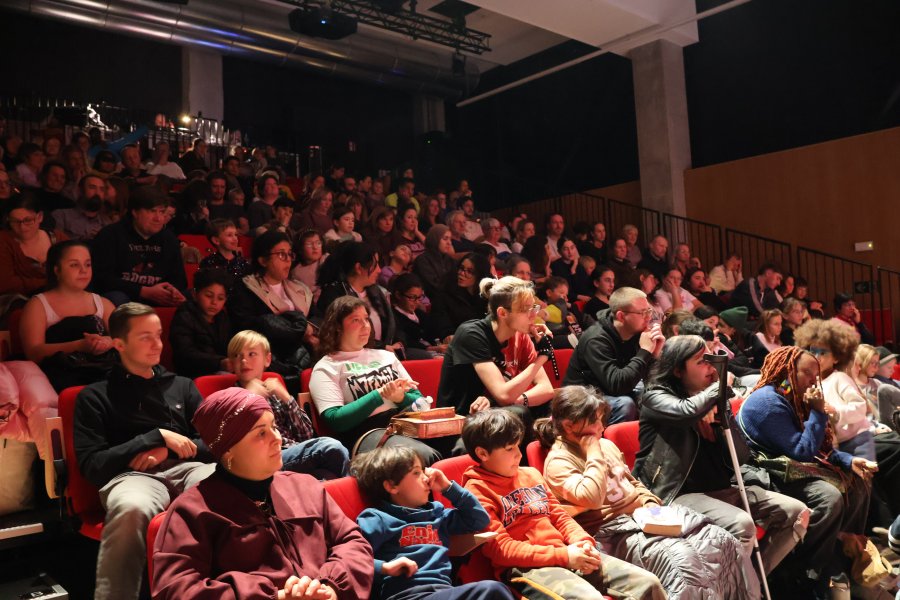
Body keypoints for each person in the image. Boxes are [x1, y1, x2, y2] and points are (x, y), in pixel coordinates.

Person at [151, 386, 373, 599]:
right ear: (227, 449)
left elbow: (353, 542)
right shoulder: (192, 512)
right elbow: (177, 590)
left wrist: (331, 586)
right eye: (260, 433)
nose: (277, 438)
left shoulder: (305, 486)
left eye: (274, 427)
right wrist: (277, 597)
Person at [539, 386, 758, 600]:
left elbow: (633, 483)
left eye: (601, 419)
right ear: (569, 425)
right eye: (593, 421)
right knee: (682, 560)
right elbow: (593, 498)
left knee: (719, 540)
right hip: (609, 533)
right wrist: (594, 453)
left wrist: (650, 501)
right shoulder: (559, 461)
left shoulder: (605, 444)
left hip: (643, 519)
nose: (601, 426)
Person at [73, 302, 216, 600]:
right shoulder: (94, 396)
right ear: (119, 344)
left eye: (159, 334)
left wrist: (168, 451)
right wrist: (155, 437)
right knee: (132, 508)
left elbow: (215, 444)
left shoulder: (183, 386)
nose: (157, 344)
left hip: (189, 467)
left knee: (227, 488)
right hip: (132, 476)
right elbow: (93, 465)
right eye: (145, 337)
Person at [636, 336, 809, 579]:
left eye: (711, 359)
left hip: (721, 488)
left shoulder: (713, 400)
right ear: (677, 370)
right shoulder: (655, 397)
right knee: (743, 525)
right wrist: (715, 392)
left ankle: (753, 585)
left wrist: (720, 422)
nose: (711, 366)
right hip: (677, 493)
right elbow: (685, 412)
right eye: (701, 361)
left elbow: (740, 457)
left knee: (797, 513)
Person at [461, 409, 666, 600]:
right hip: (526, 568)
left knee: (648, 583)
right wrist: (564, 556)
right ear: (482, 454)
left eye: (518, 445)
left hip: (567, 552)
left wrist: (583, 541)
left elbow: (559, 515)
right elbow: (501, 550)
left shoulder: (530, 474)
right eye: (509, 448)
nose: (519, 454)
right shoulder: (476, 491)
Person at [738, 346, 874, 594]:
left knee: (857, 480)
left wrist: (847, 460)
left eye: (816, 374)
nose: (814, 380)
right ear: (787, 371)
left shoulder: (792, 397)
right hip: (763, 473)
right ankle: (806, 573)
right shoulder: (767, 403)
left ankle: (842, 553)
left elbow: (816, 448)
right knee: (828, 497)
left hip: (788, 466)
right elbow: (802, 450)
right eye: (807, 373)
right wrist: (819, 411)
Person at [354, 446, 515, 600]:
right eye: (416, 473)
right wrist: (384, 567)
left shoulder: (437, 514)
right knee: (493, 591)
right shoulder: (376, 518)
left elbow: (479, 520)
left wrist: (448, 487)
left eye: (423, 471)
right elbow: (353, 559)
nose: (426, 478)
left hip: (444, 591)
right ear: (391, 486)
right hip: (407, 595)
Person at [308, 296, 440, 463]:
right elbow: (335, 420)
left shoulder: (386, 356)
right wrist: (379, 395)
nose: (365, 325)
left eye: (366, 319)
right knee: (420, 456)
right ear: (337, 328)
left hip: (403, 422)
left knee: (460, 444)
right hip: (365, 433)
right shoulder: (327, 367)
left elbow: (419, 400)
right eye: (356, 320)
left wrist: (400, 397)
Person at [437, 276, 554, 437]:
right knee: (518, 413)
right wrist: (542, 356)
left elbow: (546, 389)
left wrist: (518, 399)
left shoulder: (520, 335)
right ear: (503, 313)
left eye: (533, 307)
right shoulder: (471, 334)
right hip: (463, 423)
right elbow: (504, 395)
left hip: (496, 414)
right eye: (525, 310)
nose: (533, 315)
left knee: (555, 405)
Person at [228, 330, 349, 479]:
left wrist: (286, 397)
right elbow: (235, 443)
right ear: (231, 364)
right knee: (331, 447)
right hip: (266, 458)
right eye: (237, 356)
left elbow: (306, 435)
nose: (244, 361)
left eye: (251, 354)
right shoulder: (230, 397)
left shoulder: (273, 391)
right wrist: (249, 398)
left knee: (326, 476)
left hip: (294, 452)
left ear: (267, 359)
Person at [20, 240, 116, 391]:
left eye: (87, 264)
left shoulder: (103, 303)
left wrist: (107, 342)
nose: (83, 270)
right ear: (56, 270)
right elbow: (33, 353)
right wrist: (79, 346)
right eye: (74, 265)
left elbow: (126, 339)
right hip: (59, 378)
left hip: (104, 373)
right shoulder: (38, 305)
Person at [563, 287, 665, 424]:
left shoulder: (636, 331)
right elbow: (617, 385)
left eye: (649, 311)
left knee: (655, 395)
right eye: (642, 313)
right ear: (621, 316)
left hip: (612, 391)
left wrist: (654, 355)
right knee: (625, 404)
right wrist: (645, 351)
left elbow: (648, 380)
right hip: (581, 398)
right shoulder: (596, 340)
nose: (649, 317)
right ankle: (615, 442)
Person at [229, 230, 316, 382]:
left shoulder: (299, 289)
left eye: (290, 254)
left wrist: (311, 329)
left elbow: (317, 316)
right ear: (263, 260)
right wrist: (301, 331)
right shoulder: (247, 288)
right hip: (272, 361)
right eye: (282, 254)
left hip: (305, 356)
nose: (288, 260)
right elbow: (251, 327)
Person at [91, 185, 187, 306]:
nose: (158, 218)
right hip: (123, 296)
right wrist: (142, 291)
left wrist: (172, 290)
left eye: (162, 212)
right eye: (152, 211)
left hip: (158, 295)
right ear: (135, 212)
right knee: (117, 298)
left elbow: (179, 280)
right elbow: (101, 279)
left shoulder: (169, 239)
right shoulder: (110, 235)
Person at [318, 241, 398, 352]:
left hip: (380, 354)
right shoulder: (334, 294)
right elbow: (338, 335)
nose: (379, 270)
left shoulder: (376, 292)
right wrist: (381, 347)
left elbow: (390, 326)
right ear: (359, 268)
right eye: (375, 265)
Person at [0, 192, 66, 303]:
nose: (22, 227)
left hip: (61, 296)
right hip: (19, 302)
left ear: (40, 217)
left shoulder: (58, 238)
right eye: (15, 221)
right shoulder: (4, 240)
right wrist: (49, 281)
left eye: (28, 220)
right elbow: (5, 283)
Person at [169, 268, 232, 379]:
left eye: (220, 298)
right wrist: (220, 362)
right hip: (192, 375)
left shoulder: (222, 317)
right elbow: (185, 354)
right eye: (208, 296)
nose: (214, 302)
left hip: (220, 371)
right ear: (194, 294)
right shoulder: (184, 315)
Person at [428, 253, 492, 342]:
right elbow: (441, 321)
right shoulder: (445, 292)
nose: (462, 273)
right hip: (454, 341)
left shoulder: (488, 296)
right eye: (461, 268)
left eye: (469, 271)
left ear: (479, 275)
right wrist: (448, 335)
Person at [390, 273, 445, 359]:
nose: (417, 302)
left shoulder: (420, 314)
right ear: (398, 295)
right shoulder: (393, 316)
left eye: (419, 297)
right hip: (417, 355)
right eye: (412, 297)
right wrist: (432, 348)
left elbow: (434, 331)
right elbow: (405, 341)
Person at [51, 174, 112, 240]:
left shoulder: (107, 223)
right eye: (92, 187)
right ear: (80, 191)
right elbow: (56, 245)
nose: (97, 193)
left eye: (101, 189)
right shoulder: (62, 215)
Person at [413, 224, 456, 298]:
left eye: (450, 239)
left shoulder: (450, 260)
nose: (449, 243)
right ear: (435, 239)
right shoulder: (422, 260)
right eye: (445, 239)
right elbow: (434, 287)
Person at [291, 229, 328, 303]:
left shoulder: (326, 260)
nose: (315, 247)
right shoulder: (296, 272)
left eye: (318, 243)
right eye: (309, 244)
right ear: (300, 249)